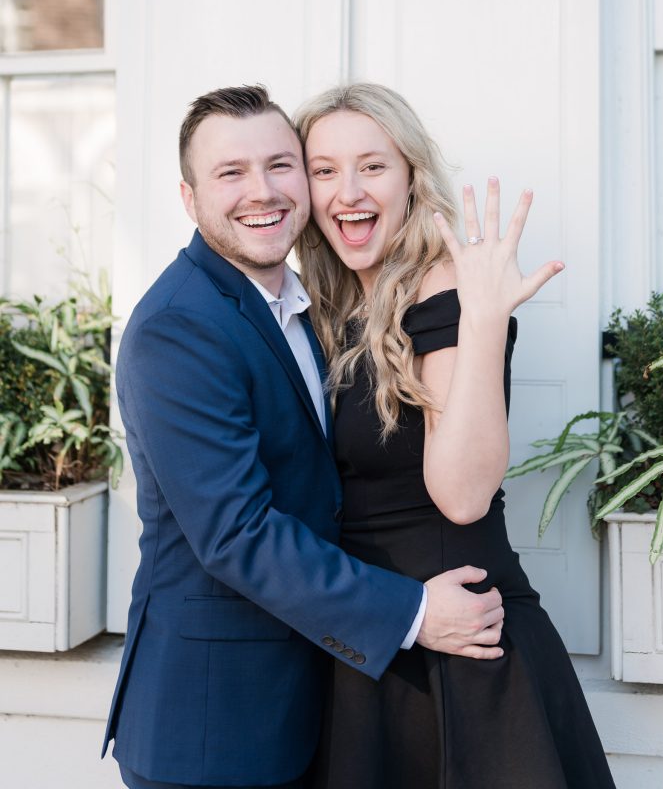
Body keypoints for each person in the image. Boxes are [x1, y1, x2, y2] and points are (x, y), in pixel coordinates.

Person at [102, 85, 509, 789]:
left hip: (314, 703)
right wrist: (413, 612)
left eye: (281, 166)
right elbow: (237, 533)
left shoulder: (308, 304)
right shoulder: (179, 324)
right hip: (213, 724)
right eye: (230, 173)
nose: (261, 192)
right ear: (189, 196)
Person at [294, 82, 616, 789]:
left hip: (461, 655)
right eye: (324, 170)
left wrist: (481, 318)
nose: (347, 190)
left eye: (372, 166)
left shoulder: (446, 291)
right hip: (374, 639)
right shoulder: (327, 298)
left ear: (410, 175)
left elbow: (464, 494)